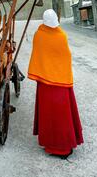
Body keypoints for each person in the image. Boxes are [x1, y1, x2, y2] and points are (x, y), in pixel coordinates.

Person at [28, 9, 83, 159]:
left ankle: (52, 145)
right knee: (62, 115)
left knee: (49, 114)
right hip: (61, 83)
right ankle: (63, 146)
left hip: (46, 82)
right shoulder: (61, 35)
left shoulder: (40, 35)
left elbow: (41, 55)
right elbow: (66, 57)